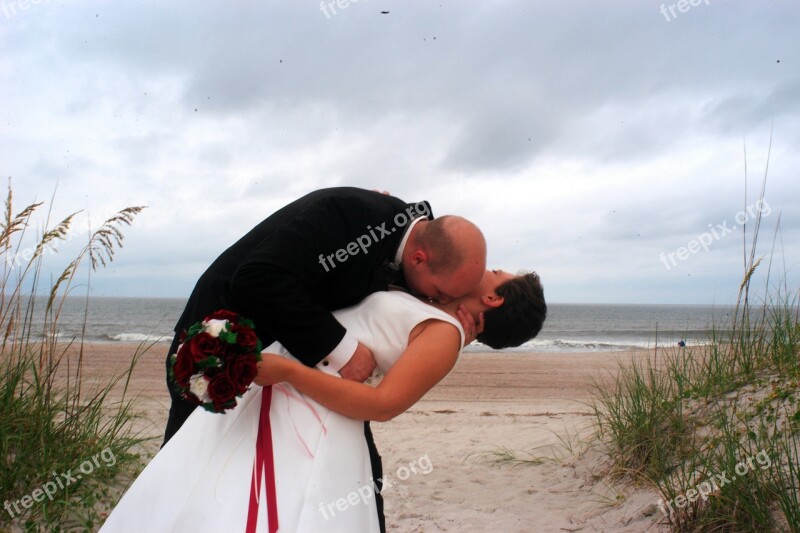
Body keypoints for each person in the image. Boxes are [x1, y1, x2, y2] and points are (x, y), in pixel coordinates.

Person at [101, 270, 546, 532]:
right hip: (278, 386)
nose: (485, 267)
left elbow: (382, 405)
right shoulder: (433, 304)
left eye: (498, 271)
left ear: (493, 296)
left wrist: (290, 372)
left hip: (311, 412)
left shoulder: (445, 337)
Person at [162, 187, 487, 529]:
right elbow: (258, 279)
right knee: (190, 468)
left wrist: (457, 325)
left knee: (354, 473)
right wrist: (344, 351)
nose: (434, 302)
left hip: (289, 366)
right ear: (419, 259)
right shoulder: (350, 215)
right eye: (437, 294)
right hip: (219, 346)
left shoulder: (413, 237)